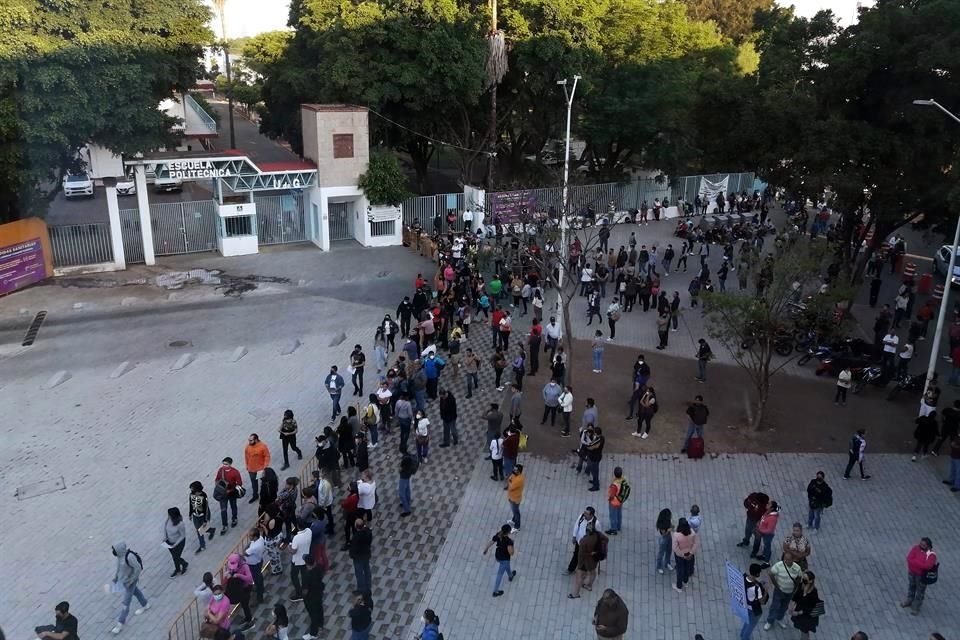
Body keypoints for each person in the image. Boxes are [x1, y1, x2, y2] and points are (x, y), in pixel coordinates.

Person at [109, 542, 149, 635]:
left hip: (130, 582)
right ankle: (145, 604)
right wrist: (116, 577)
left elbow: (138, 568)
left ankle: (119, 624)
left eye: (114, 550)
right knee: (136, 592)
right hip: (125, 581)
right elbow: (119, 568)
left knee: (126, 603)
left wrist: (131, 581)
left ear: (119, 550)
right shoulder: (119, 556)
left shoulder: (130, 557)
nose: (113, 552)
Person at [763, 550, 802, 630]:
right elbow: (771, 574)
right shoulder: (779, 565)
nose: (786, 561)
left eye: (788, 559)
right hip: (779, 591)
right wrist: (776, 586)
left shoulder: (797, 568)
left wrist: (795, 588)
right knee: (775, 606)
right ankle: (770, 621)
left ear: (793, 559)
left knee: (784, 606)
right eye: (785, 559)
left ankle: (779, 618)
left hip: (790, 592)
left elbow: (799, 577)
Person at [569, 523, 607, 599]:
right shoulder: (598, 535)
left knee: (579, 577)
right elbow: (606, 539)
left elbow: (580, 554)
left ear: (587, 531)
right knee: (593, 572)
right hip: (594, 560)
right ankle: (589, 586)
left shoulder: (584, 541)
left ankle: (575, 594)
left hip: (584, 562)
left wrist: (579, 565)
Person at [902, 537, 938, 615]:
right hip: (912, 573)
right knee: (911, 587)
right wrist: (920, 564)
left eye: (923, 544)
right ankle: (909, 600)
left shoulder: (931, 555)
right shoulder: (916, 548)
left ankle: (916, 607)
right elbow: (909, 558)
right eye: (920, 543)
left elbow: (927, 566)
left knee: (920, 592)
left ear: (928, 546)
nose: (920, 545)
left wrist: (915, 562)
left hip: (921, 576)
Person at [483, 524, 517, 597]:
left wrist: (486, 549)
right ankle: (495, 591)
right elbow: (511, 553)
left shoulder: (498, 535)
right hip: (504, 558)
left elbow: (491, 542)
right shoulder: (509, 541)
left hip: (498, 556)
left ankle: (510, 575)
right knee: (500, 574)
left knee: (507, 566)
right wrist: (512, 545)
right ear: (508, 532)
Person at [213, 457, 243, 534]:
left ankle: (234, 518)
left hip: (232, 493)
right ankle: (224, 525)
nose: (224, 465)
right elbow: (217, 479)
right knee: (223, 510)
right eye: (223, 463)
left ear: (230, 464)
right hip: (223, 493)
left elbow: (239, 483)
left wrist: (231, 490)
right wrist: (218, 487)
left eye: (226, 464)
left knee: (233, 506)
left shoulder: (235, 472)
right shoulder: (220, 470)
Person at [224, 553, 254, 628]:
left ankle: (249, 619)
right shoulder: (231, 564)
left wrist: (239, 575)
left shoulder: (245, 566)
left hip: (245, 588)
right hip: (237, 588)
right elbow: (230, 570)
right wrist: (229, 573)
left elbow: (250, 579)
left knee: (245, 604)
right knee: (242, 603)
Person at [567, 507, 601, 574]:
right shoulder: (581, 517)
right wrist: (574, 536)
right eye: (584, 512)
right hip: (579, 541)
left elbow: (599, 534)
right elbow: (577, 525)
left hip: (588, 545)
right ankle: (571, 569)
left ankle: (587, 570)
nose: (584, 514)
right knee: (576, 555)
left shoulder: (596, 523)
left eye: (586, 514)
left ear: (591, 515)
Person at [788, 571, 822, 639]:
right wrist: (791, 606)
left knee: (804, 631)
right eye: (803, 578)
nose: (803, 581)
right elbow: (796, 596)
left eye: (805, 579)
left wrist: (798, 613)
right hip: (800, 610)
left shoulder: (813, 593)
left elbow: (810, 608)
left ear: (811, 581)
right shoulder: (801, 585)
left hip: (807, 616)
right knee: (801, 628)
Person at [350, 518, 374, 606]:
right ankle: (368, 586)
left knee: (359, 573)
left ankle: (361, 590)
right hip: (366, 554)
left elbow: (354, 548)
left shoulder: (356, 537)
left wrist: (352, 554)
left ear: (356, 527)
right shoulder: (368, 532)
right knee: (367, 570)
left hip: (358, 557)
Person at [287, 519, 312, 602]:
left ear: (298, 526)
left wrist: (289, 546)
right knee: (304, 575)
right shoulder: (309, 531)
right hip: (305, 558)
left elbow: (293, 551)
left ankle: (299, 593)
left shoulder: (296, 538)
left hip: (297, 560)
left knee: (294, 576)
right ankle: (305, 589)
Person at [671, 517, 698, 593]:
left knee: (680, 570)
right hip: (689, 554)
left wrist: (682, 555)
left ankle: (679, 587)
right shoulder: (692, 533)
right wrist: (691, 553)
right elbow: (696, 543)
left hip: (680, 555)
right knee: (687, 568)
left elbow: (675, 548)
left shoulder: (676, 535)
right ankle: (685, 582)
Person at [301, 554, 325, 640]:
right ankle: (321, 624)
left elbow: (305, 590)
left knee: (313, 615)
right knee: (319, 609)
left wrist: (303, 596)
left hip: (310, 598)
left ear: (307, 563)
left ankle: (313, 634)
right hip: (318, 593)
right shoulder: (319, 567)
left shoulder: (306, 575)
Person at [741, 563, 767, 640]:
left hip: (746, 604)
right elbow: (762, 602)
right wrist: (765, 591)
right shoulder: (757, 588)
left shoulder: (744, 576)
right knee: (751, 625)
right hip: (754, 608)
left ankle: (742, 633)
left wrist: (759, 583)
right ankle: (745, 638)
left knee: (747, 621)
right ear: (757, 574)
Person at [244, 434, 271, 503]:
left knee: (264, 483)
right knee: (254, 484)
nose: (249, 442)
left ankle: (266, 495)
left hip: (260, 469)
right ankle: (255, 496)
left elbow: (267, 456)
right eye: (249, 440)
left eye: (251, 440)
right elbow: (246, 456)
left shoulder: (262, 446)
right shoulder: (248, 447)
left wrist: (265, 467)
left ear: (256, 440)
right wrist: (247, 465)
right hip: (251, 469)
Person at [162, 507, 189, 577]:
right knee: (174, 557)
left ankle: (182, 565)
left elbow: (182, 536)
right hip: (169, 542)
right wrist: (165, 537)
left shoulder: (180, 524)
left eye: (169, 515)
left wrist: (175, 544)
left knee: (176, 557)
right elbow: (165, 527)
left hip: (178, 543)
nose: (168, 516)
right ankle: (179, 567)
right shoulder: (168, 519)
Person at [188, 481, 213, 552]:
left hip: (203, 516)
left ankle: (211, 530)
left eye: (192, 489)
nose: (191, 491)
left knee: (202, 529)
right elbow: (190, 504)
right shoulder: (191, 494)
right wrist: (190, 514)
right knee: (199, 531)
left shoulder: (204, 496)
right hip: (195, 516)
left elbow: (206, 509)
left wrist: (205, 520)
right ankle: (202, 545)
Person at [245, 528, 266, 604]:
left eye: (250, 536)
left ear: (255, 537)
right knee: (259, 577)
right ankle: (262, 589)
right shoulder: (260, 538)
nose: (249, 537)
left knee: (257, 581)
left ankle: (259, 598)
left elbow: (245, 553)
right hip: (258, 561)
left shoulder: (254, 547)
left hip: (254, 565)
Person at [605, 467, 628, 535]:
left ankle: (613, 529)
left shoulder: (614, 484)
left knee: (613, 515)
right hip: (620, 500)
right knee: (619, 513)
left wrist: (610, 499)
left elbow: (611, 495)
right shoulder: (623, 480)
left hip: (614, 502)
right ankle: (618, 526)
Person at [506, 463, 525, 532]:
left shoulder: (519, 479)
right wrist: (510, 481)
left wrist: (510, 482)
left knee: (516, 512)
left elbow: (511, 487)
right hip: (512, 497)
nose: (513, 471)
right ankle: (513, 520)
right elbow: (509, 479)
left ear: (519, 472)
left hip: (515, 498)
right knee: (514, 510)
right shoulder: (515, 475)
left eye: (515, 470)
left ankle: (517, 527)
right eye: (514, 469)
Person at [399, 452, 417, 517]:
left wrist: (400, 468)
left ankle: (407, 510)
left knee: (401, 494)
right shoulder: (411, 461)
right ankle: (408, 502)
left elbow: (400, 469)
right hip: (408, 476)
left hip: (403, 477)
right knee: (407, 489)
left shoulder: (405, 463)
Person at [655, 509, 673, 574]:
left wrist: (672, 526)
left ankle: (667, 563)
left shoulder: (668, 520)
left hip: (669, 537)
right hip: (664, 538)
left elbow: (670, 525)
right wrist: (669, 530)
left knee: (669, 551)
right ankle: (659, 566)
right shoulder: (661, 524)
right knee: (661, 554)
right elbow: (663, 534)